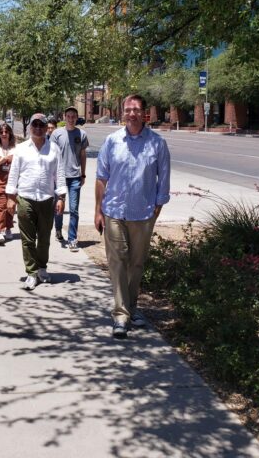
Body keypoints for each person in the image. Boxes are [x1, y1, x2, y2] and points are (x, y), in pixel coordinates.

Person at [94, 94, 171, 339]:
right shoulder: (111, 141)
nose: (132, 114)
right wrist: (97, 209)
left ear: (144, 113)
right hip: (114, 211)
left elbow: (164, 181)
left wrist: (156, 210)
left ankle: (131, 305)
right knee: (117, 261)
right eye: (128, 110)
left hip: (143, 213)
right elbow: (101, 177)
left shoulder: (157, 144)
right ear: (122, 113)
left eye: (136, 110)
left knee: (136, 263)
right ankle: (121, 315)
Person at [6, 113, 66, 290]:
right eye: (35, 125)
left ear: (46, 127)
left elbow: (59, 174)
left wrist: (61, 197)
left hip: (47, 200)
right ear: (30, 127)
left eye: (41, 125)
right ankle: (31, 273)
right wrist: (10, 197)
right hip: (25, 198)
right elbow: (13, 174)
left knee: (45, 238)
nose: (38, 128)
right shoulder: (21, 148)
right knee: (28, 239)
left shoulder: (54, 149)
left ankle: (42, 268)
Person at [51, 106, 89, 252]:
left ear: (76, 117)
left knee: (74, 210)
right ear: (64, 117)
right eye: (69, 116)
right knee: (59, 207)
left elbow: (83, 155)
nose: (71, 118)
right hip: (59, 176)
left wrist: (83, 174)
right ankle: (59, 230)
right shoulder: (56, 134)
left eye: (74, 116)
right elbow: (52, 155)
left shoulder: (82, 134)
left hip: (75, 177)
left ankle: (72, 238)